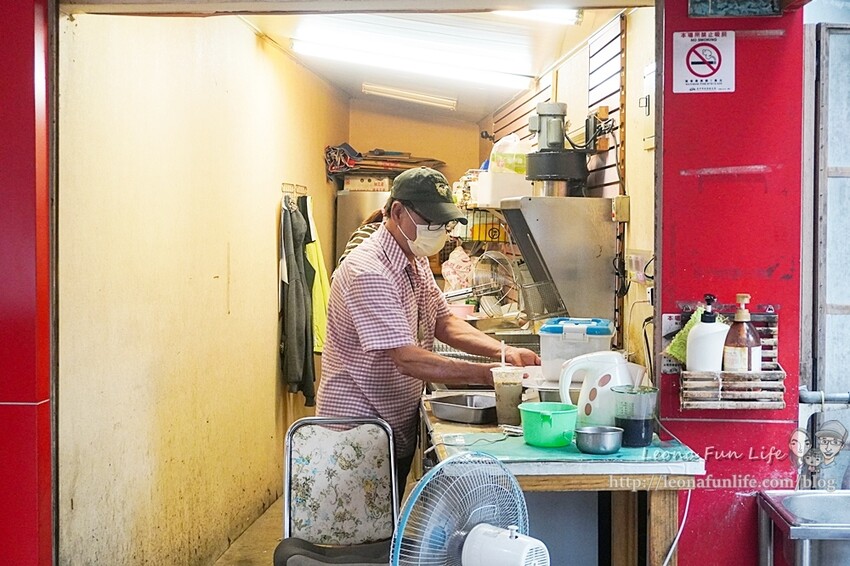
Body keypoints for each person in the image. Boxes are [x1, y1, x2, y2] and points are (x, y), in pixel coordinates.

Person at [316, 166, 540, 497]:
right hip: (357, 432)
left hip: (391, 425)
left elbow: (442, 321)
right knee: (359, 540)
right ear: (397, 212)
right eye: (433, 223)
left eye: (445, 224)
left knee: (386, 529)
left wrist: (505, 353)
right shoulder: (368, 271)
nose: (441, 233)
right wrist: (491, 375)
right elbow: (406, 359)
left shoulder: (413, 257)